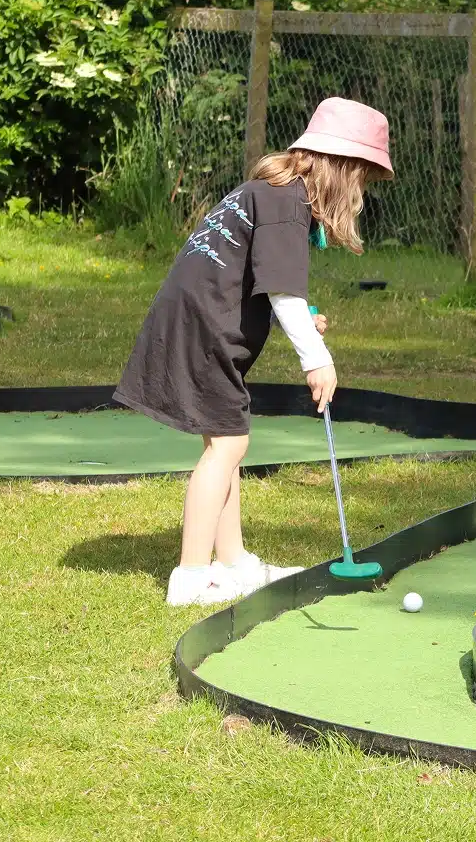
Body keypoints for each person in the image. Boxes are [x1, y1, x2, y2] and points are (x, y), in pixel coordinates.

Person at [114, 98, 394, 606]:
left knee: (227, 442)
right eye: (363, 180)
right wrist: (316, 358)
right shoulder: (288, 203)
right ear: (342, 168)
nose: (361, 194)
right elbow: (283, 291)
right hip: (206, 329)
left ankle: (232, 563)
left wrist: (304, 321)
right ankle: (192, 576)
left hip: (197, 320)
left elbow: (257, 280)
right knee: (227, 447)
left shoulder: (271, 192)